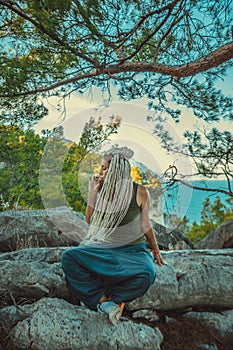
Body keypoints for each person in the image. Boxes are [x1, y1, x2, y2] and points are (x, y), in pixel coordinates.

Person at [61, 147, 165, 326]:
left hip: (133, 251)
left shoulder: (140, 191)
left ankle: (116, 300)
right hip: (105, 248)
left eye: (103, 167)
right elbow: (90, 221)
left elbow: (145, 224)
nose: (100, 171)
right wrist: (92, 194)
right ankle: (103, 302)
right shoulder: (102, 190)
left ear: (116, 169)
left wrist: (156, 251)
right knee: (69, 258)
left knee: (147, 274)